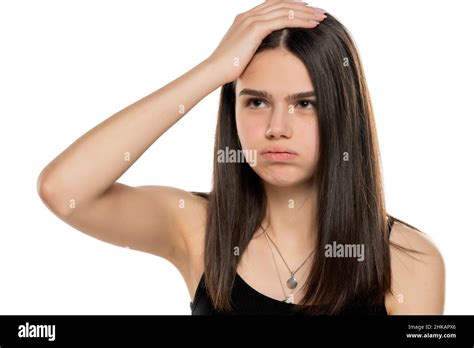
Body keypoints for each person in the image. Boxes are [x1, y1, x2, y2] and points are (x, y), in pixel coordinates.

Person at [37, 1, 445, 315]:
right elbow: (64, 189)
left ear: (343, 112)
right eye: (255, 102)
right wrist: (216, 69)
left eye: (305, 104)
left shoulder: (407, 260)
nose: (276, 127)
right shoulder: (196, 228)